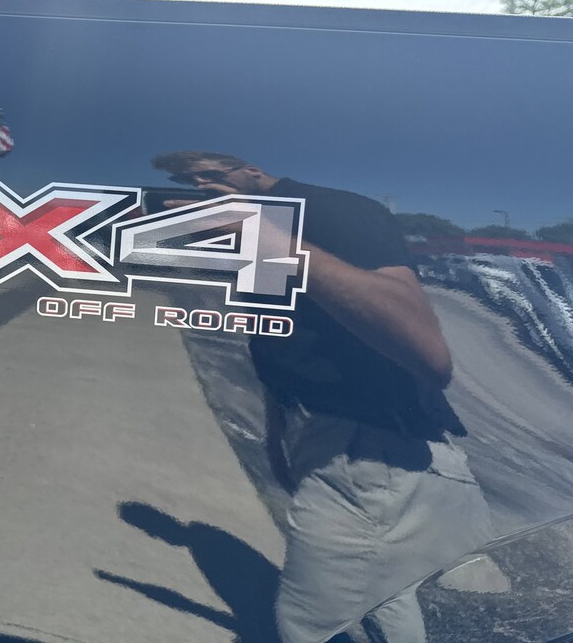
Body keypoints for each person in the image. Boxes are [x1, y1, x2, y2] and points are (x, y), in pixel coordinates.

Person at [151, 150, 491, 643]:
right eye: (190, 182)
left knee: (306, 625)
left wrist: (265, 238)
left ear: (250, 170)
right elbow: (283, 339)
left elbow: (429, 353)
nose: (201, 187)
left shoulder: (330, 209)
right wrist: (278, 431)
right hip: (327, 436)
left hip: (369, 448)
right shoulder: (264, 226)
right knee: (386, 593)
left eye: (210, 175)